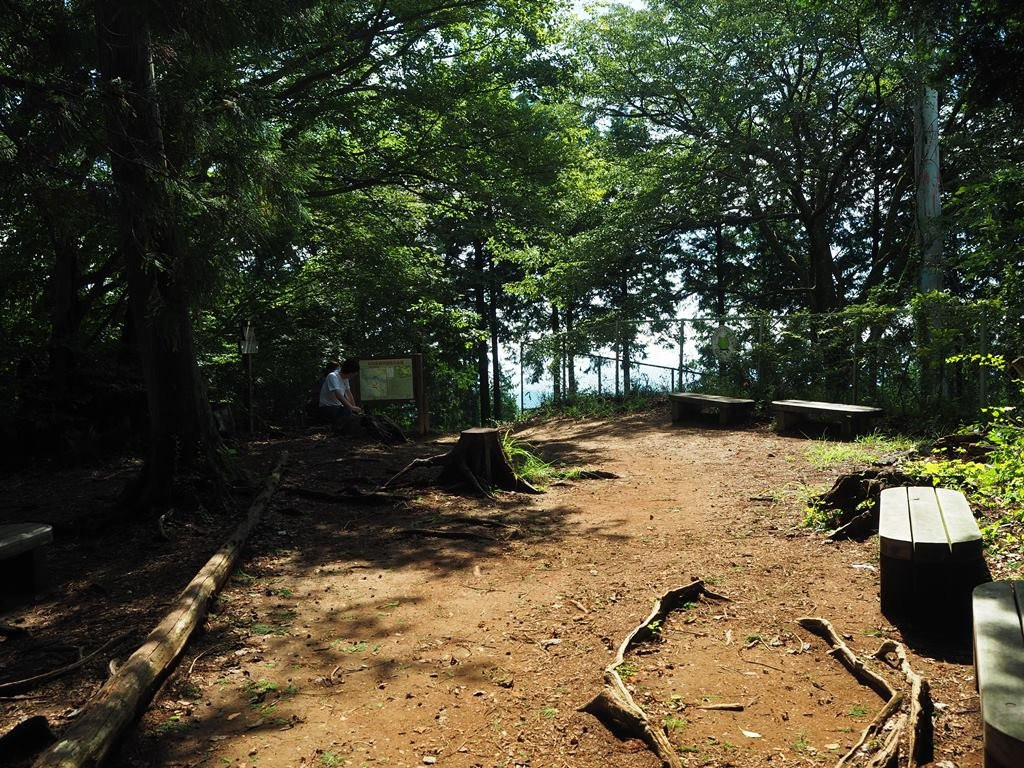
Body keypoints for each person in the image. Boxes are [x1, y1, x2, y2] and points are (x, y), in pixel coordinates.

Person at [318, 358, 362, 429]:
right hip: (327, 408)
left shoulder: (345, 379)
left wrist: (354, 408)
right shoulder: (332, 376)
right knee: (347, 411)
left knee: (351, 413)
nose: (354, 375)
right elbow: (338, 395)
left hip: (337, 407)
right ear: (350, 372)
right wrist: (351, 407)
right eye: (354, 373)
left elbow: (349, 394)